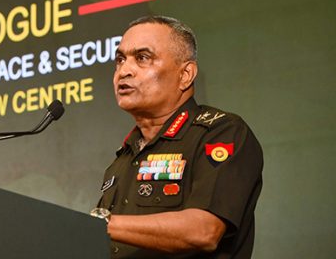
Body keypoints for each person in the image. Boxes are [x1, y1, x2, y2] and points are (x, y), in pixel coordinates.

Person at [94, 16, 263, 258]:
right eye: (120, 60)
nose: (124, 71)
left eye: (142, 58)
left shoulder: (221, 132)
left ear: (185, 75)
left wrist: (99, 223)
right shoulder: (121, 160)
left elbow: (204, 231)